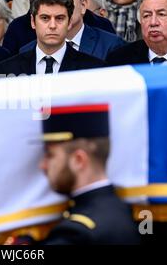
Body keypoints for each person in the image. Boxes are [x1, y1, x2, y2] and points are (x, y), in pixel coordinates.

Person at [38, 105, 140, 245]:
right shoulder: (127, 210)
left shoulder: (77, 233)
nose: (42, 166)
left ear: (79, 160)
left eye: (50, 155)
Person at [0, 0, 104, 77]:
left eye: (59, 18)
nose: (52, 26)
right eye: (45, 18)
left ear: (70, 22)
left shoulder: (92, 69)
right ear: (33, 22)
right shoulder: (8, 68)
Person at [20, 0, 125, 61]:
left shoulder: (111, 46)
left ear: (83, 5)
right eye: (51, 1)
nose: (58, 8)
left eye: (66, 1)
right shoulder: (27, 51)